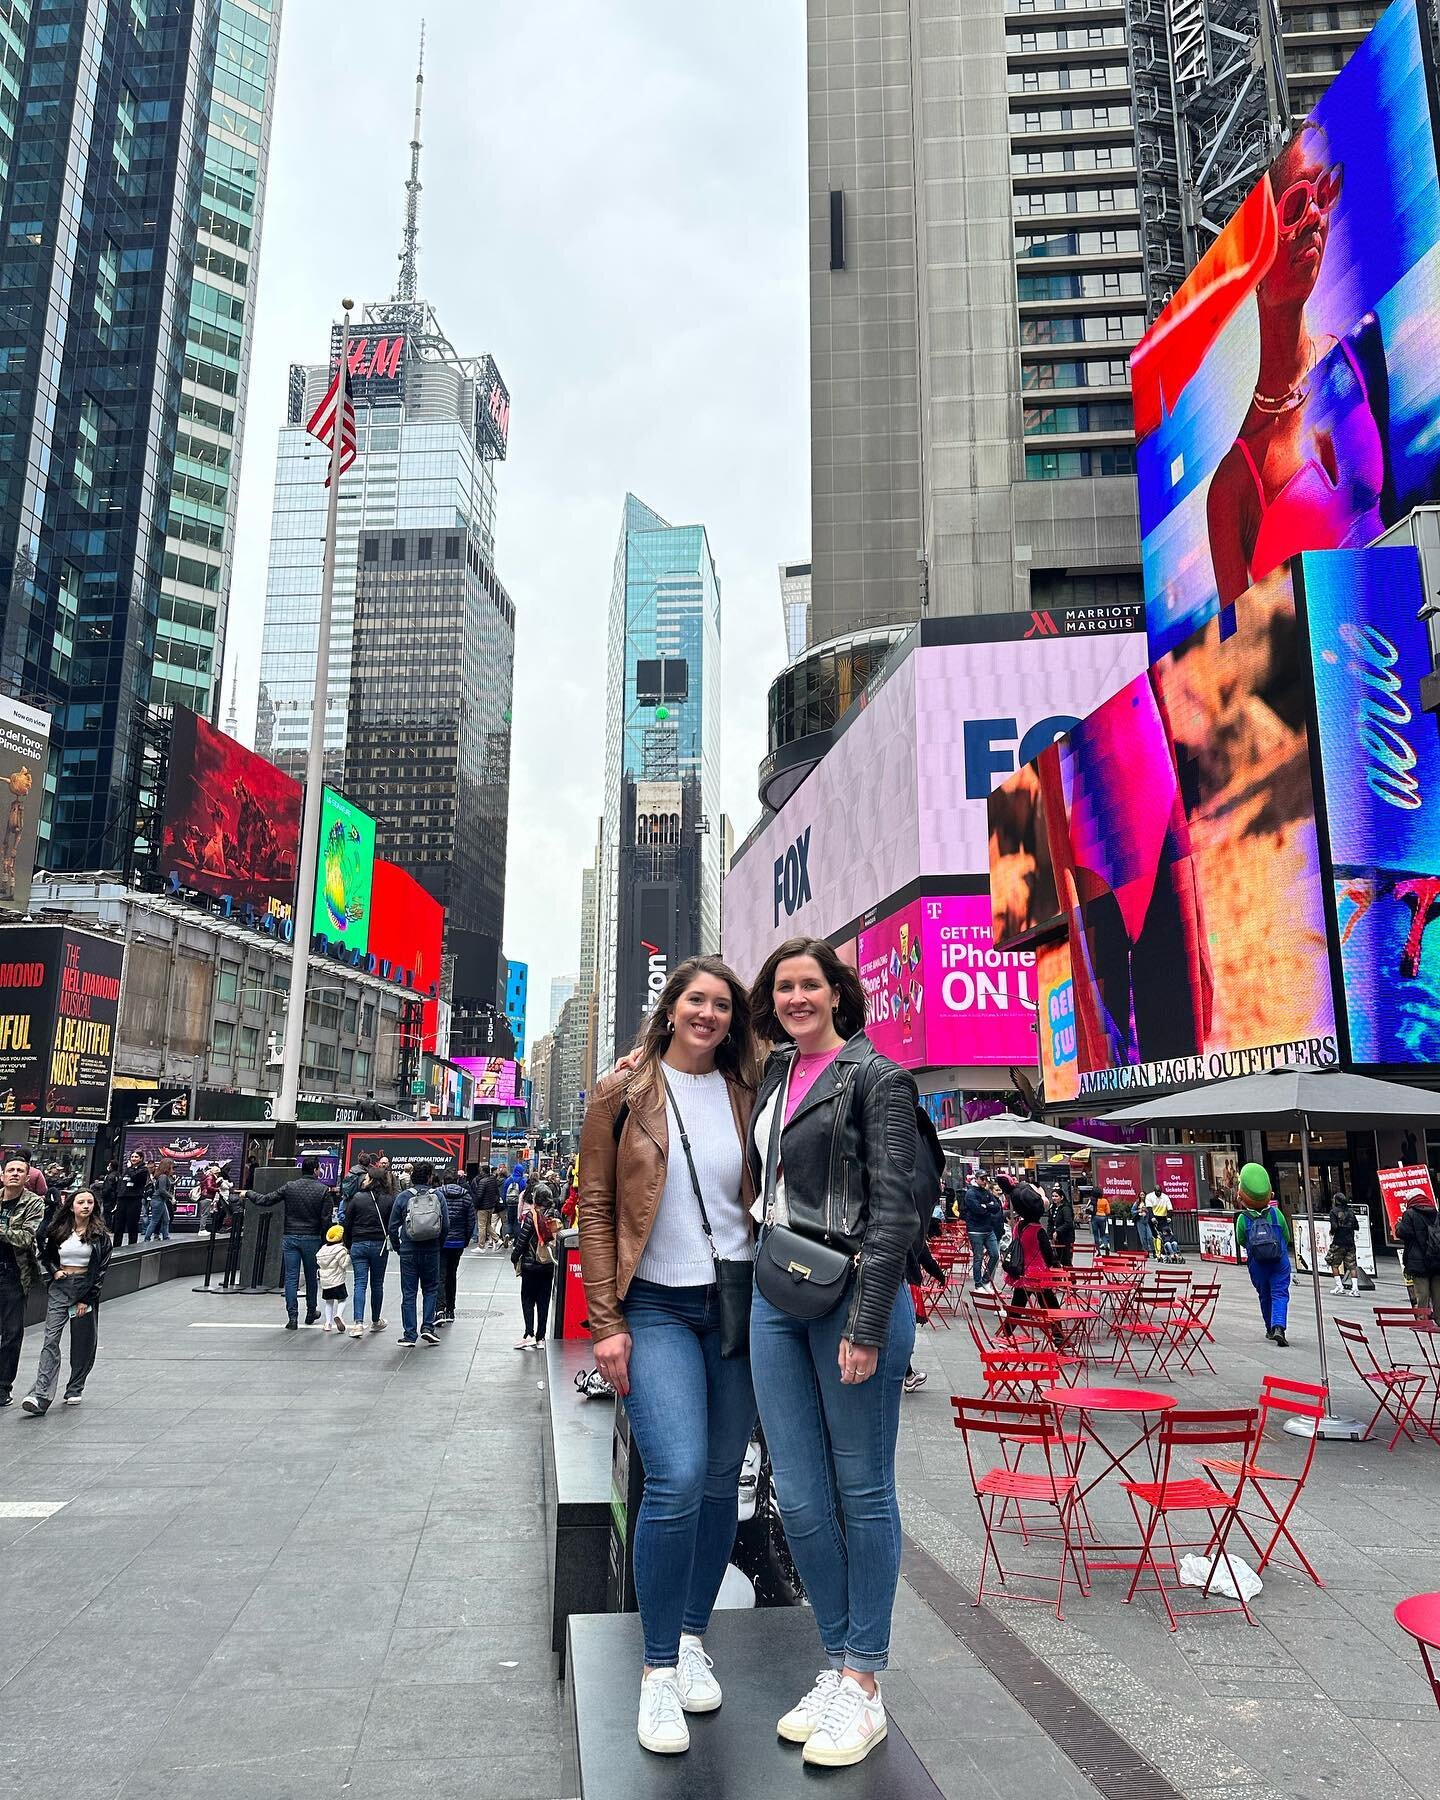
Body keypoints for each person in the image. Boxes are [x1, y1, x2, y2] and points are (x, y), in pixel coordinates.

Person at [745, 937, 919, 1770]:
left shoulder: (877, 1078)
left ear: (838, 993)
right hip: (775, 1290)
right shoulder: (775, 1073)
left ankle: (864, 1681)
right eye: (783, 986)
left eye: (809, 984)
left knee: (862, 1491)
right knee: (803, 1499)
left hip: (853, 1295)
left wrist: (869, 1324)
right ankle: (836, 1660)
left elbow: (894, 1213)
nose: (795, 997)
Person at [579, 954, 759, 1758]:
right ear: (670, 1007)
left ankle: (691, 1638)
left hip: (740, 1305)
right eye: (696, 1000)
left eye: (723, 1004)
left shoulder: (750, 1086)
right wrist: (606, 1319)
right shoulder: (623, 1091)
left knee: (723, 1480)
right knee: (679, 1475)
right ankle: (655, 1671)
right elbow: (594, 1206)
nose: (709, 1014)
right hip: (652, 1306)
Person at [1207, 121, 1394, 606]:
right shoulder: (1231, 486)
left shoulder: (1360, 349)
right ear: (1252, 258)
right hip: (1327, 677)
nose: (1314, 216)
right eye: (1294, 205)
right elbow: (1239, 652)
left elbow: (1403, 515)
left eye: (1323, 192)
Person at [20, 1187, 112, 1413]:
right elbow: (47, 1254)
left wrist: (87, 1299)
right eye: (81, 1202)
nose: (86, 1206)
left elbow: (100, 1271)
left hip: (85, 1287)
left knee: (83, 1341)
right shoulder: (59, 1230)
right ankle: (41, 1394)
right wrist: (53, 1271)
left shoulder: (100, 1236)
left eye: (90, 1202)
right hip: (61, 1286)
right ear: (71, 1206)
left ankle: (75, 1387)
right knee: (50, 1339)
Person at [268, 1157, 335, 1329]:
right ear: (315, 1170)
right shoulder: (322, 1190)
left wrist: (249, 1194)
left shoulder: (289, 1186)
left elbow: (267, 1199)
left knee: (291, 1277)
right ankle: (311, 1311)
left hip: (290, 1236)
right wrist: (325, 1240)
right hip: (311, 1238)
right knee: (311, 1276)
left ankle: (292, 1317)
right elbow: (326, 1220)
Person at [1, 1152, 46, 1407]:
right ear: (3, 1175)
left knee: (11, 1333)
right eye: (11, 1170)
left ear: (27, 1177)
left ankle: (3, 1387)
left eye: (20, 1170)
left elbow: (26, 1238)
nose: (15, 1174)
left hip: (14, 1274)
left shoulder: (33, 1203)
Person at [388, 1159, 448, 1346]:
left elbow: (392, 1226)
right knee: (430, 1289)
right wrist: (439, 1244)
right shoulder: (438, 1196)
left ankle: (409, 1334)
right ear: (430, 1177)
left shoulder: (404, 1197)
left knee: (409, 1292)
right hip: (431, 1249)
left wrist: (399, 1246)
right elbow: (445, 1225)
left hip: (409, 1250)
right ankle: (428, 1327)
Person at [1233, 1162, 1292, 1347]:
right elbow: (1287, 1237)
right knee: (1280, 1293)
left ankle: (1269, 1328)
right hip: (1279, 1261)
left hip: (1257, 1264)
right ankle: (1278, 1327)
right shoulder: (1276, 1214)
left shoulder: (1243, 1219)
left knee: (1264, 1295)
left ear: (1241, 1195)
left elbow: (1241, 1240)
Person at [1001, 1184, 1063, 1339]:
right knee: (1050, 1305)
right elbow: (1048, 1254)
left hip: (1021, 1271)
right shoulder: (1038, 1230)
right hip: (1039, 1274)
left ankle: (1006, 1333)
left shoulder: (1018, 1227)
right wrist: (1056, 1265)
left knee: (1017, 1306)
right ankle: (1058, 1335)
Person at [342, 1161, 391, 1337]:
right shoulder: (388, 1199)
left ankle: (358, 1323)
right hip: (379, 1245)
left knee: (359, 1283)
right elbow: (392, 1225)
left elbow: (347, 1223)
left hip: (359, 1244)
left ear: (370, 1180)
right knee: (377, 1283)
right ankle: (376, 1320)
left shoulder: (357, 1198)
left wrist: (348, 1244)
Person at [511, 1187, 558, 1349]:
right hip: (547, 1265)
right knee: (543, 1301)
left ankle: (529, 1334)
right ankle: (540, 1338)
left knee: (527, 1299)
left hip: (531, 1266)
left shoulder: (532, 1216)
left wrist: (515, 1257)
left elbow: (522, 1240)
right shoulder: (555, 1216)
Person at [437, 1167, 477, 1323]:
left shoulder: (437, 1194)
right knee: (452, 1275)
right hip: (458, 1241)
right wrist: (466, 1239)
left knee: (440, 1275)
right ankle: (450, 1309)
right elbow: (470, 1221)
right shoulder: (465, 1196)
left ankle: (439, 1309)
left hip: (441, 1241)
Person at [1396, 1186, 1440, 1325]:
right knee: (1438, 1293)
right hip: (1437, 1257)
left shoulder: (1410, 1213)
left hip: (1418, 1260)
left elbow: (1404, 1233)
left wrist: (1398, 1225)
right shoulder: (1436, 1212)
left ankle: (1423, 1320)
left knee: (1422, 1293)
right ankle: (1439, 1319)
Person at [963, 1173, 1002, 1293]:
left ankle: (985, 1281)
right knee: (978, 1258)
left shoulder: (985, 1192)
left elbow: (996, 1206)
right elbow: (977, 1209)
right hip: (975, 1229)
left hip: (987, 1229)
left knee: (995, 1255)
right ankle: (978, 1284)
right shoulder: (970, 1193)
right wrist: (987, 1207)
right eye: (982, 1178)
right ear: (976, 1179)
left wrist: (985, 1206)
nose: (985, 1181)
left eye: (986, 1179)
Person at [316, 1225, 352, 1332]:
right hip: (337, 1281)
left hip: (326, 1282)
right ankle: (339, 1315)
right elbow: (344, 1264)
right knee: (342, 1299)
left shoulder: (322, 1250)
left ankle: (328, 1323)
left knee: (329, 1302)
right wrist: (349, 1256)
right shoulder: (340, 1250)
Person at [1326, 1191, 1360, 1298]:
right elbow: (1356, 1226)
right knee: (1352, 1265)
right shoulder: (1350, 1212)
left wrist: (1332, 1232)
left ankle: (1339, 1286)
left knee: (1333, 1263)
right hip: (1350, 1242)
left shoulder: (1333, 1212)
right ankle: (1355, 1288)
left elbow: (1334, 1226)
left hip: (1338, 1242)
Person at [115, 1151, 151, 1247]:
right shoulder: (127, 1169)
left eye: (136, 1157)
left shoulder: (143, 1170)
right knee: (119, 1224)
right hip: (123, 1198)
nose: (133, 1158)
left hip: (134, 1199)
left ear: (141, 1158)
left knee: (132, 1224)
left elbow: (134, 1176)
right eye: (132, 1156)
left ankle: (132, 1245)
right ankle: (116, 1245)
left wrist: (130, 1168)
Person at [143, 1159, 174, 1241]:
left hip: (159, 1200)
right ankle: (147, 1238)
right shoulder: (163, 1176)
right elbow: (162, 1190)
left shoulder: (161, 1176)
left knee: (165, 1219)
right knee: (155, 1220)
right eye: (171, 1167)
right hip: (158, 1200)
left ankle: (165, 1237)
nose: (172, 1169)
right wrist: (171, 1197)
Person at [1048, 1186, 1076, 1269]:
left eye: (1056, 1196)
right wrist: (1049, 1235)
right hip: (1056, 1239)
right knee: (1056, 1259)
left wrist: (1058, 1231)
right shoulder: (1052, 1208)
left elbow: (1069, 1223)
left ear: (1062, 1197)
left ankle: (1071, 1279)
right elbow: (1050, 1223)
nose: (1054, 1198)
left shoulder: (1066, 1208)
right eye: (1053, 1196)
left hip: (1066, 1238)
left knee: (1066, 1260)